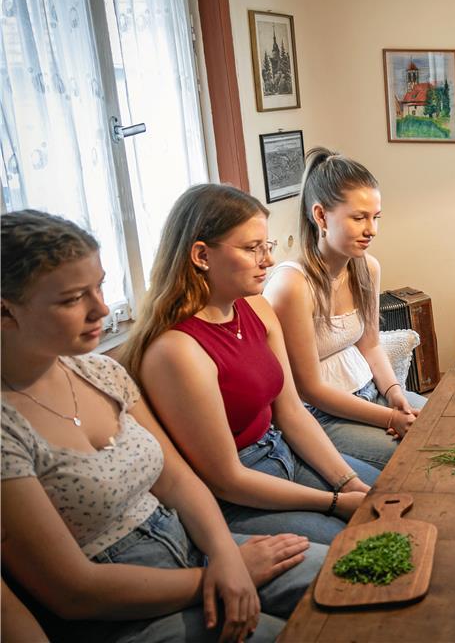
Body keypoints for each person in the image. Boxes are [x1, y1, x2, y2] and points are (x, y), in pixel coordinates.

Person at [1, 209, 324, 642]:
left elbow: (177, 482)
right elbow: (73, 592)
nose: (100, 308)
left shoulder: (100, 373)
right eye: (72, 299)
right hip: (124, 609)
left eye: (99, 286)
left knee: (345, 573)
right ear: (6, 312)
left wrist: (226, 554)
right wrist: (216, 579)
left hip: (190, 544)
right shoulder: (8, 427)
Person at [120, 184, 378, 545]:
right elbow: (227, 479)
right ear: (201, 255)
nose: (267, 260)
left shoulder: (254, 307)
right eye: (250, 248)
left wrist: (348, 482)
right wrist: (334, 501)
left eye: (266, 246)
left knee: (383, 498)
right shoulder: (176, 350)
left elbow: (291, 413)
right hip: (238, 493)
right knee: (348, 541)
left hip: (281, 449)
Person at [266, 148, 425, 472]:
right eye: (358, 218)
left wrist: (395, 393)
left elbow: (369, 345)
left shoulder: (366, 268)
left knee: (444, 428)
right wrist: (391, 418)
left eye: (375, 217)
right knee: (418, 456)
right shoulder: (293, 286)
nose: (372, 230)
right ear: (321, 216)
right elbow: (310, 389)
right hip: (321, 415)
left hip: (369, 392)